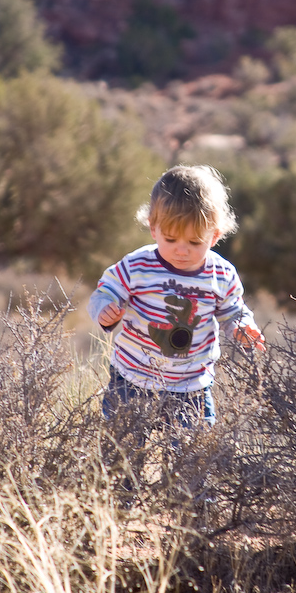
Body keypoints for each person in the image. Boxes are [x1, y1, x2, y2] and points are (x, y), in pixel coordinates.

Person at [88, 164, 265, 430]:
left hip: (191, 386)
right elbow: (104, 292)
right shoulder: (137, 266)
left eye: (194, 243)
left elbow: (232, 311)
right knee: (121, 453)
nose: (181, 251)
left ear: (215, 235)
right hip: (131, 379)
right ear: (153, 228)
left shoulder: (221, 273)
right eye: (170, 239)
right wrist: (105, 309)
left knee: (191, 458)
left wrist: (241, 326)